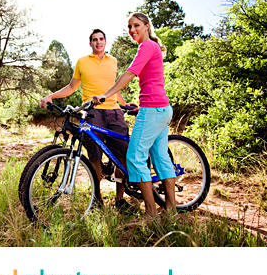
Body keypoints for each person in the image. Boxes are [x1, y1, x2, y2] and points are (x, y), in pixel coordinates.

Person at [40, 29, 135, 212]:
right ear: (90, 43)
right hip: (93, 114)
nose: (98, 42)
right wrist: (51, 96)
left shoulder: (113, 61)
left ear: (105, 42)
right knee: (95, 157)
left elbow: (115, 87)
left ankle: (119, 200)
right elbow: (71, 87)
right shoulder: (82, 62)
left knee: (122, 156)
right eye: (94, 40)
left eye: (101, 39)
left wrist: (124, 104)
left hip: (115, 112)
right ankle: (97, 200)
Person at [92, 13, 176, 219]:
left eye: (136, 25)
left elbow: (130, 74)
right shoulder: (152, 47)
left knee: (134, 157)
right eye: (129, 27)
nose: (132, 30)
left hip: (153, 109)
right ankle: (171, 209)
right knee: (160, 158)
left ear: (147, 26)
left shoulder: (147, 46)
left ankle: (150, 213)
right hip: (162, 109)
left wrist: (106, 95)